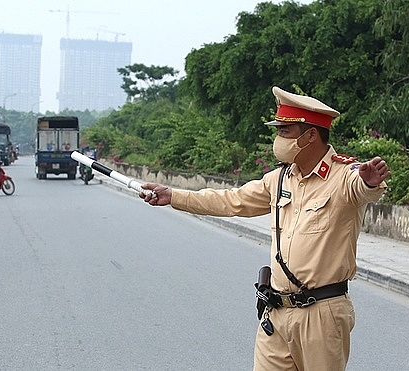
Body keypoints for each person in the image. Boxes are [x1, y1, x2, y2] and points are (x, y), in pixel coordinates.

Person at [139, 86, 390, 370]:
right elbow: (231, 200)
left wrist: (369, 181)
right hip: (276, 311)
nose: (278, 139)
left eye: (285, 132)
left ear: (310, 136)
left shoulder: (343, 176)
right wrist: (173, 196)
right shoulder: (279, 179)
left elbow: (364, 188)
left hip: (321, 314)